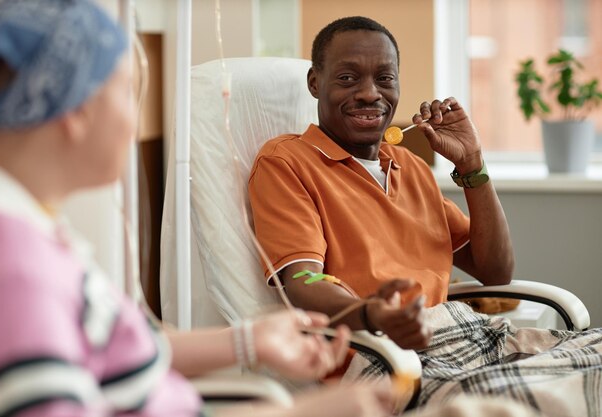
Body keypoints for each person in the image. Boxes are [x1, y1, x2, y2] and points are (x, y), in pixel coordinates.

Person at [0, 2, 398, 416]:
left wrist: (248, 342)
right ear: (75, 110)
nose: (134, 121)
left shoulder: (29, 229)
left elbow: (112, 350)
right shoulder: (14, 271)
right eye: (127, 93)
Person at [248, 16, 602, 416]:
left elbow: (495, 270)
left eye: (385, 78)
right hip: (391, 359)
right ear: (315, 81)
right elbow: (302, 279)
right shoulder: (287, 163)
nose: (369, 94)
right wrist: (372, 314)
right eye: (348, 78)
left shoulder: (408, 166)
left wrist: (472, 165)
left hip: (473, 339)